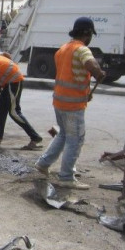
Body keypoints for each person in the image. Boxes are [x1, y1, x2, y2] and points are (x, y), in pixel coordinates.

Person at [35, 17, 105, 190]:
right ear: (86, 33)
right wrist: (99, 72)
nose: (90, 39)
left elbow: (71, 74)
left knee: (63, 135)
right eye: (90, 35)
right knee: (75, 139)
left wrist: (86, 92)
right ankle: (66, 177)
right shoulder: (82, 50)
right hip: (73, 105)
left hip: (59, 100)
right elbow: (92, 67)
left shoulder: (63, 49)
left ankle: (43, 163)